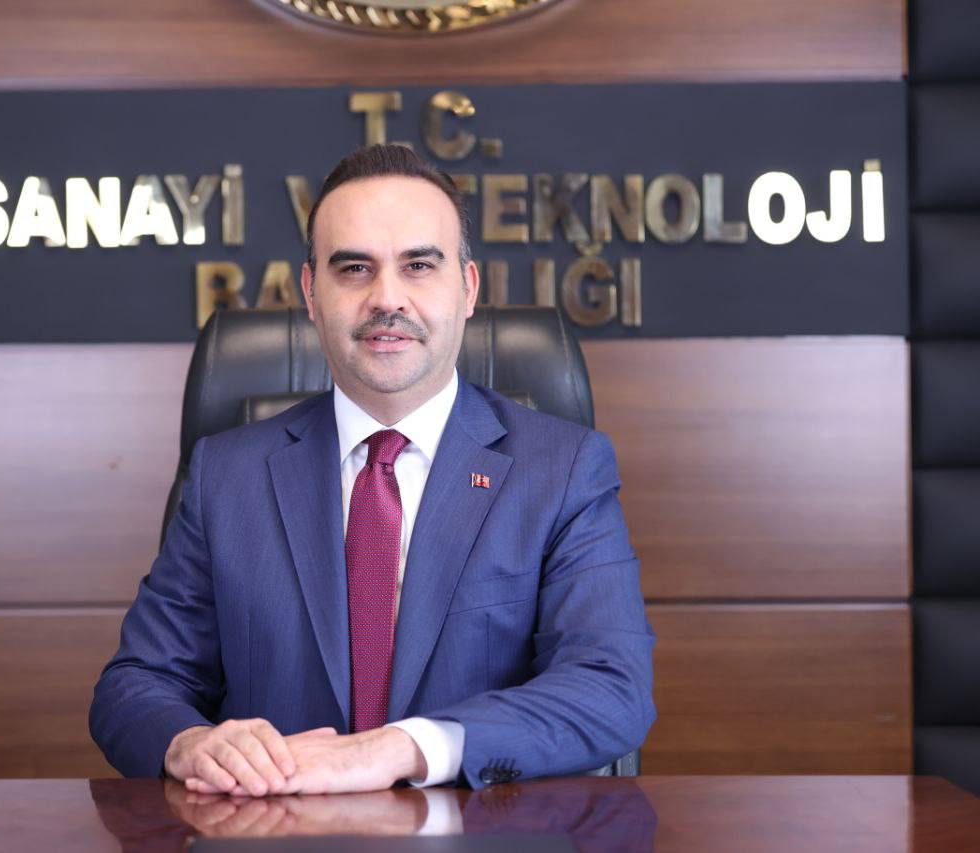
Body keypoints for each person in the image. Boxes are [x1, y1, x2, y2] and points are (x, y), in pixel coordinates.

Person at [90, 143, 654, 796]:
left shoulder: (563, 471)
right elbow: (136, 685)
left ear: (467, 288)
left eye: (419, 266)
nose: (387, 298)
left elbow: (610, 687)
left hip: (482, 834)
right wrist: (190, 742)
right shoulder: (227, 476)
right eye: (354, 268)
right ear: (311, 292)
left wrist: (402, 748)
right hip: (277, 831)